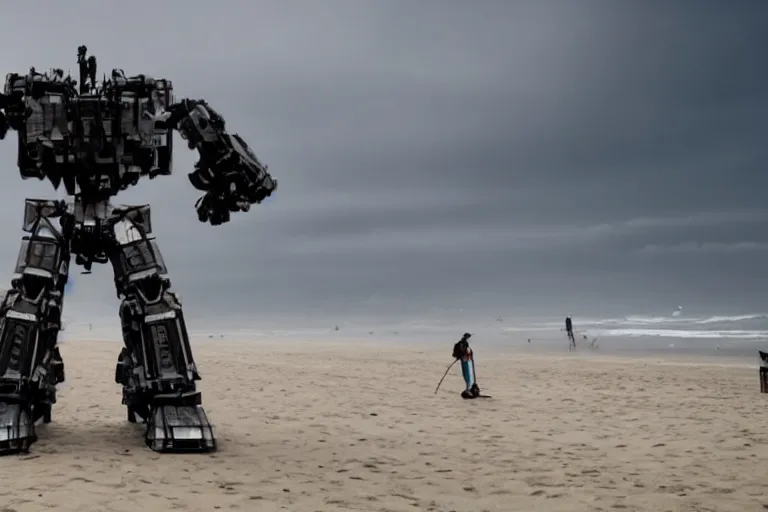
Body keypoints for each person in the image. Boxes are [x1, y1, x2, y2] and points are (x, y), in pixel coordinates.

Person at [452, 333, 481, 399]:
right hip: (466, 361)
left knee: (466, 374)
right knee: (468, 375)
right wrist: (468, 357)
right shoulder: (465, 344)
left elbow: (456, 354)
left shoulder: (459, 343)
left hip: (463, 360)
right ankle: (468, 389)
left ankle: (468, 388)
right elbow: (467, 353)